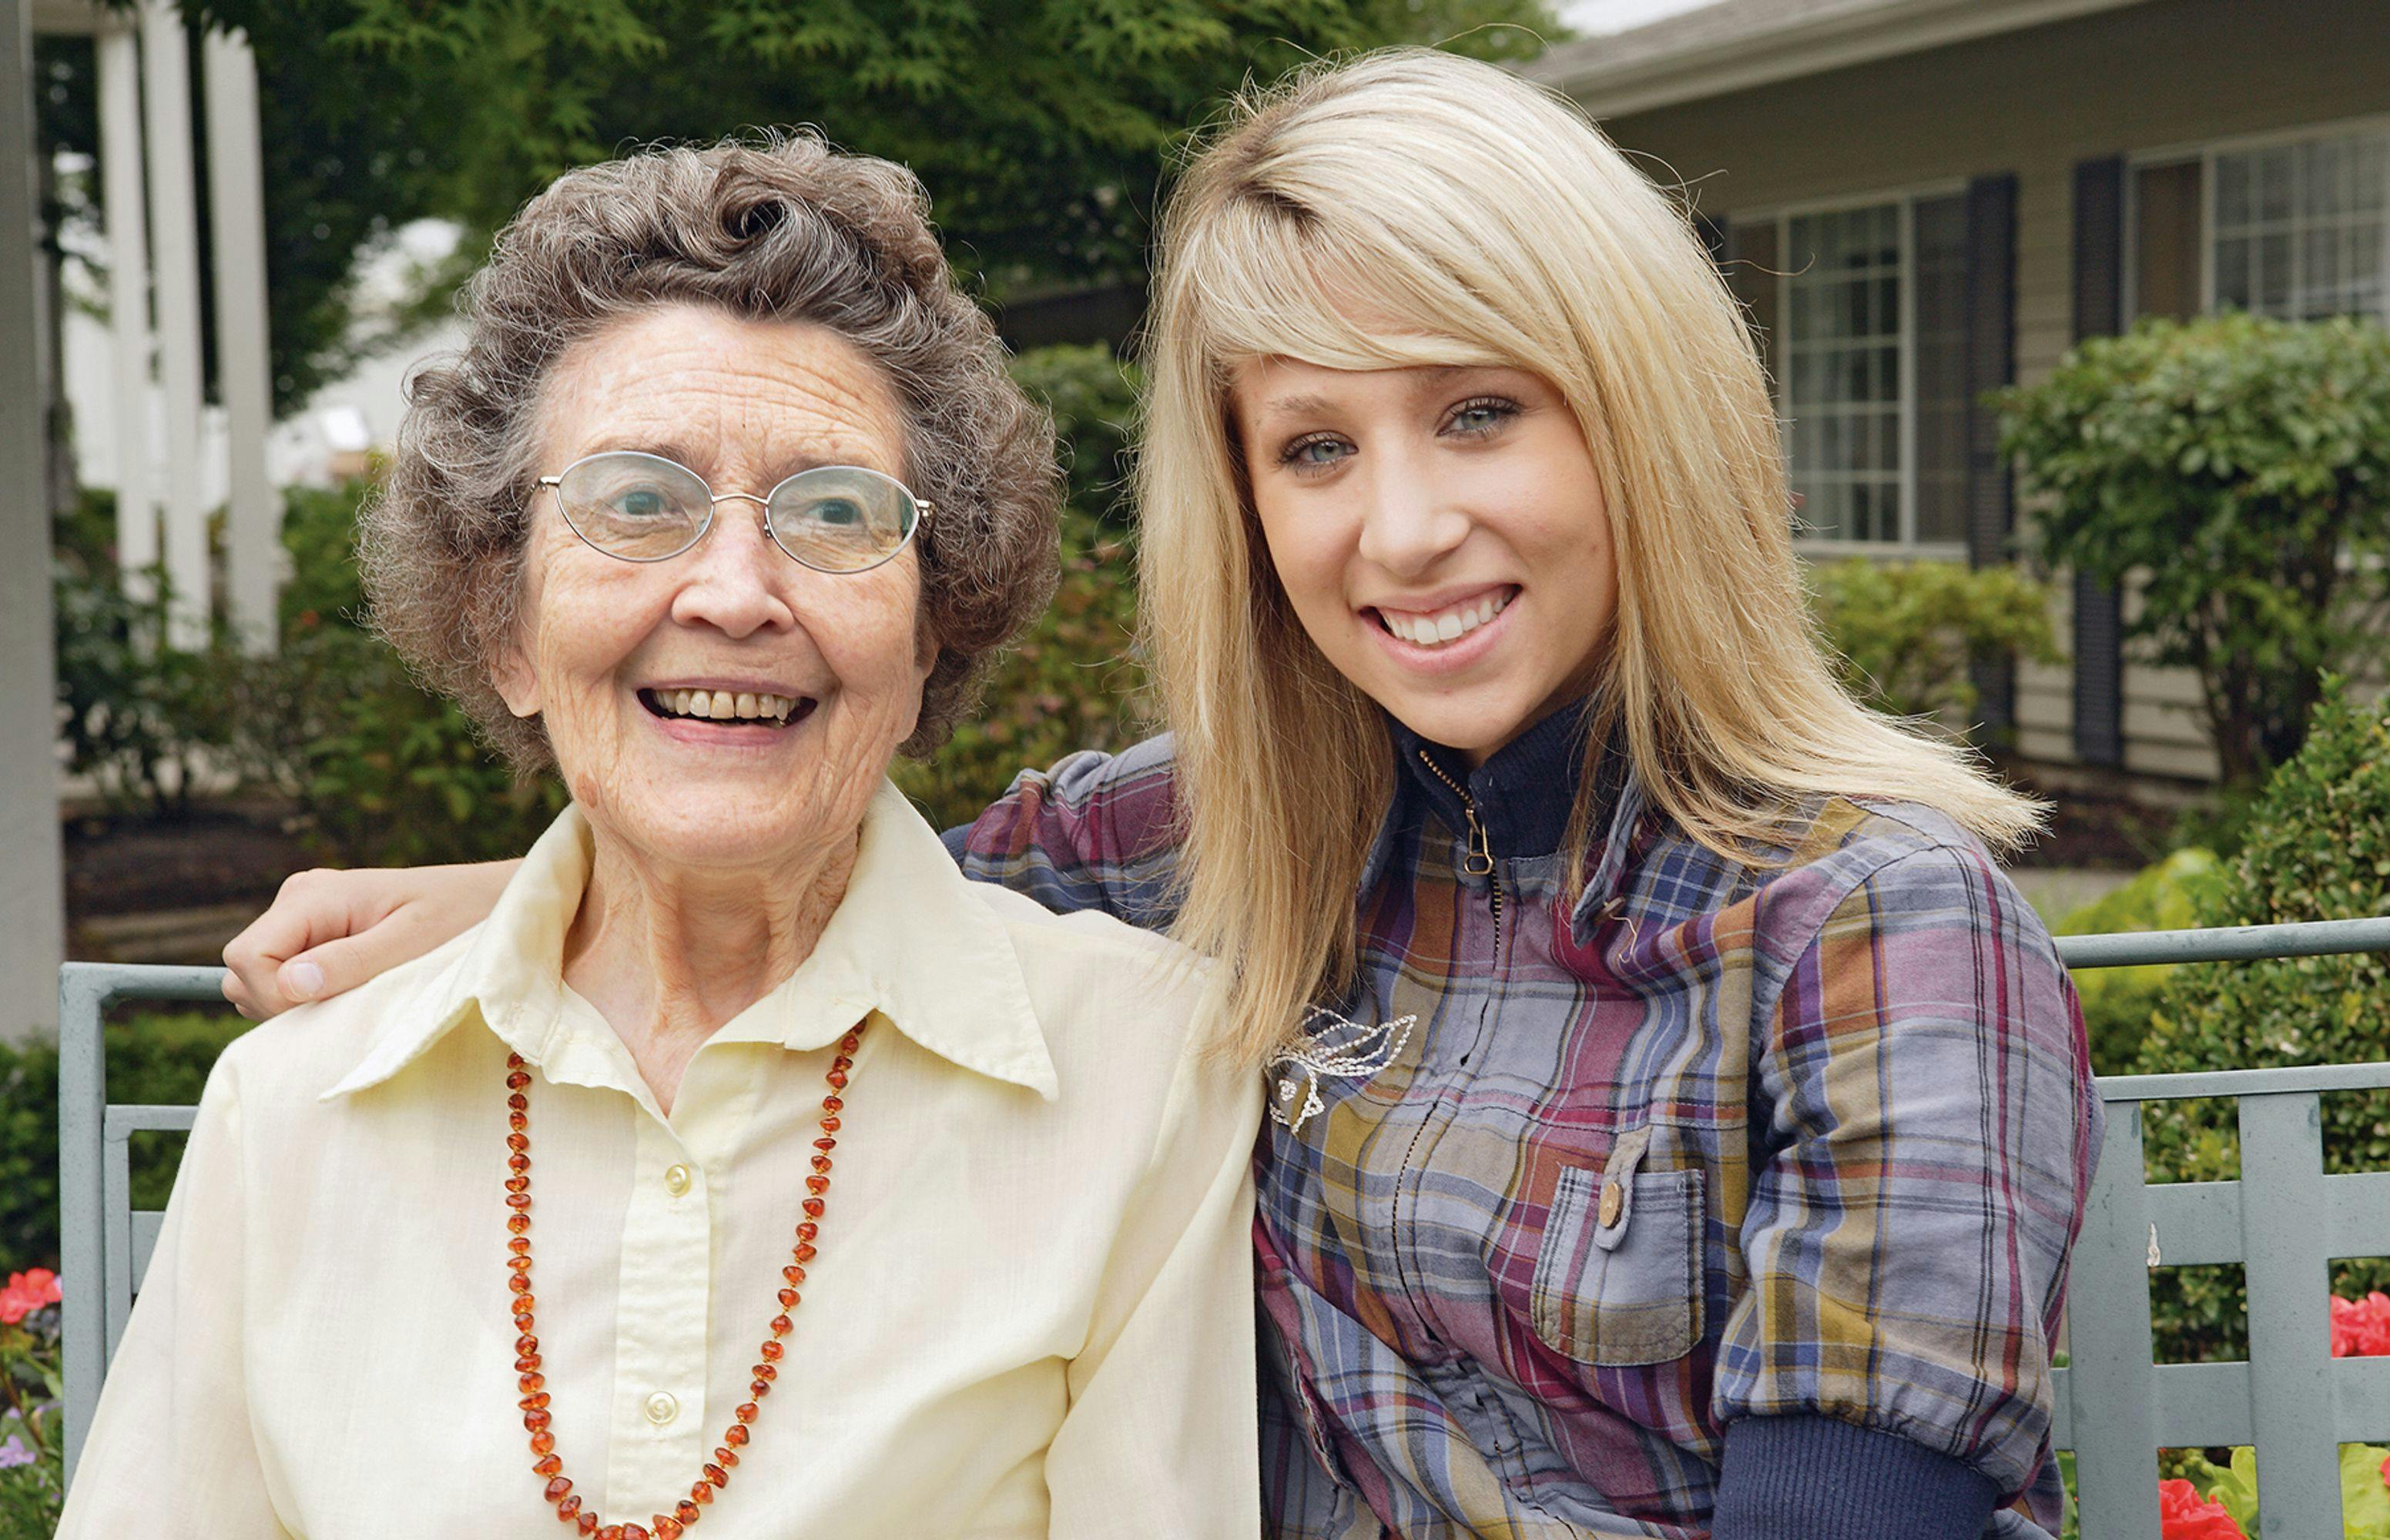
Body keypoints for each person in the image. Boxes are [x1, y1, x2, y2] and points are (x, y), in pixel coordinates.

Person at [224, 50, 2098, 1540]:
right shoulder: (1245, 833)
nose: (1404, 527)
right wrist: (530, 896)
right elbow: (841, 854)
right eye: (1310, 445)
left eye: (1477, 411)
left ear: (1641, 411)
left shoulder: (1873, 922)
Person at [71, 136, 1259, 1540]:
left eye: (834, 511)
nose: (737, 592)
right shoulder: (292, 1113)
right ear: (503, 624)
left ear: (933, 629)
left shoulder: (1145, 1072)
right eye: (639, 502)